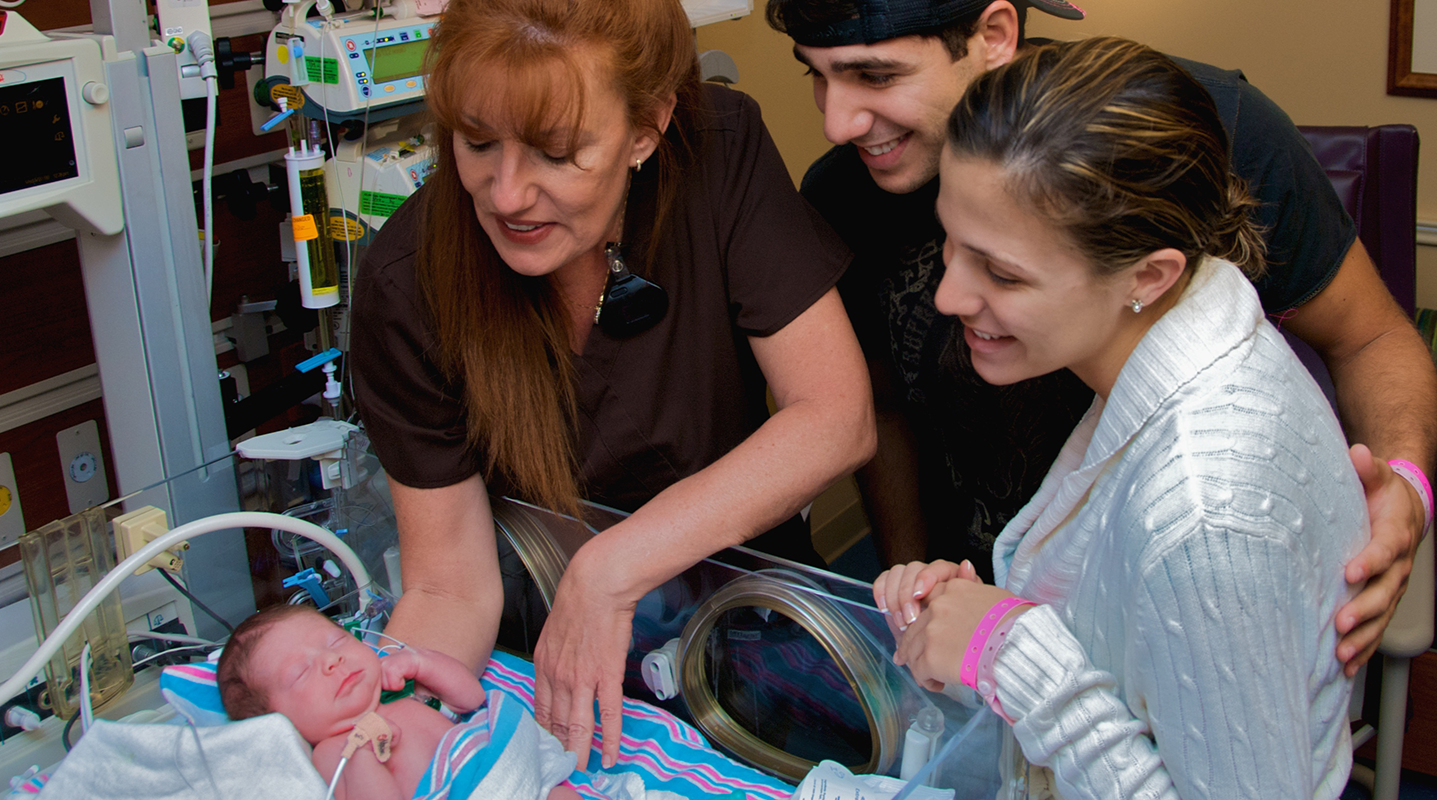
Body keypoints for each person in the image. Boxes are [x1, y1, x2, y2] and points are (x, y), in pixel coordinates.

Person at [765, 0, 1437, 674]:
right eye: (815, 74)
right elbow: (885, 409)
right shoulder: (841, 193)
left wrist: (1404, 489)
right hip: (991, 599)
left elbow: (1368, 338)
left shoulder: (1189, 134)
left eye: (876, 76)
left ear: (992, 35)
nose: (836, 123)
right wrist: (908, 610)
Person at [348, 0, 875, 773]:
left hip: (752, 617)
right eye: (477, 141)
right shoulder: (409, 285)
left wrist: (608, 569)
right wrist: (388, 739)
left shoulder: (716, 152)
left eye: (556, 152)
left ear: (646, 129)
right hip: (551, 651)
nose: (506, 194)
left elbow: (834, 416)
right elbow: (449, 588)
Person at [873, 37, 1368, 798]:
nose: (948, 296)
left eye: (1001, 272)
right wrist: (979, 621)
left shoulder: (1204, 515)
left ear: (1148, 275)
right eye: (952, 243)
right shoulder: (1178, 333)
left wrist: (1011, 652)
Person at [213, 605, 553, 800]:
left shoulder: (401, 689)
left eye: (336, 641)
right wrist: (363, 754)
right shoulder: (334, 751)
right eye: (301, 672)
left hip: (507, 770)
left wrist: (420, 662)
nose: (331, 660)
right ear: (279, 722)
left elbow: (471, 698)